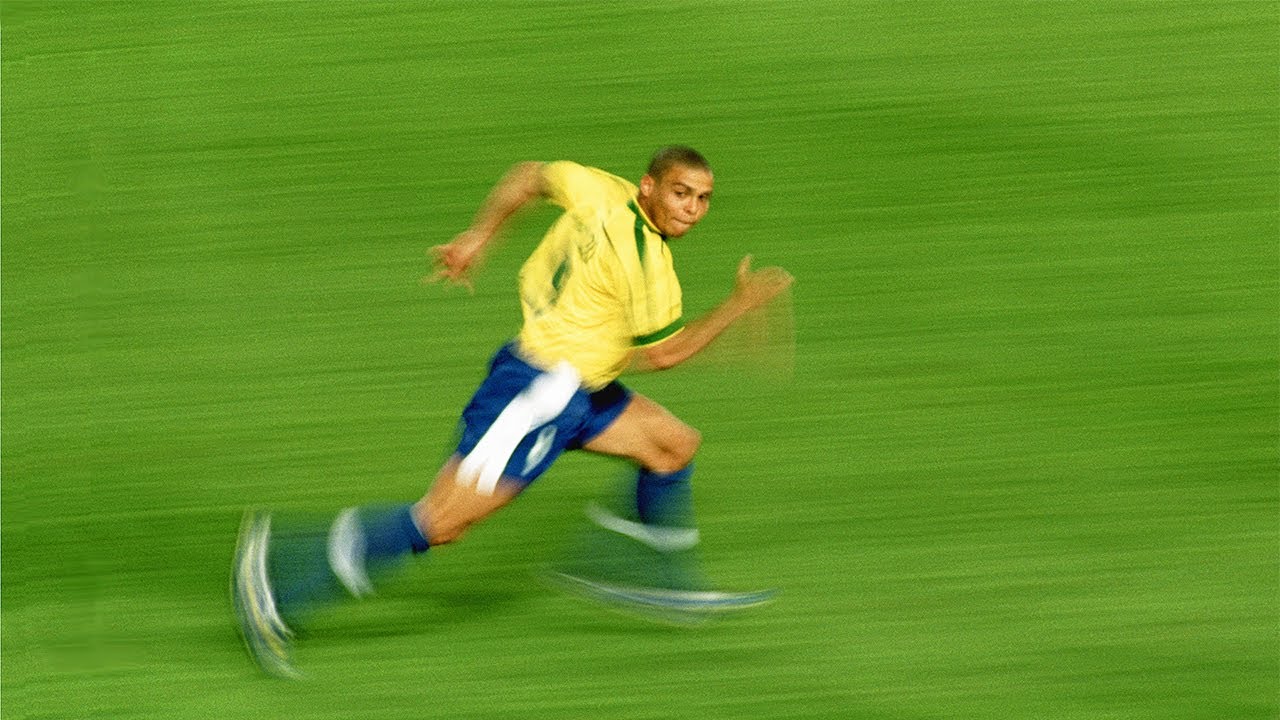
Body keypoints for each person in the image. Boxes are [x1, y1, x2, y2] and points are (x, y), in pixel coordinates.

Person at [233, 146, 794, 678]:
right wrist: (738, 306)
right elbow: (665, 354)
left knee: (672, 445)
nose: (692, 209)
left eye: (703, 198)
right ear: (649, 186)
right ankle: (278, 580)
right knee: (440, 522)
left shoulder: (601, 189)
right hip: (539, 396)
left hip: (580, 386)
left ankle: (645, 571)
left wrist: (478, 237)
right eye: (680, 193)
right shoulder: (648, 265)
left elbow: (528, 176)